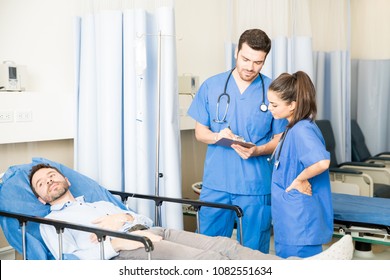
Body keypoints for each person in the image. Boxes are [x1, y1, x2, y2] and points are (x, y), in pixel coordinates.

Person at [29, 163, 353, 260]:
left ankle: (298, 268)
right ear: (42, 199)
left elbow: (137, 217)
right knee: (212, 264)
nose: (50, 181)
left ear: (65, 178)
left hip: (148, 232)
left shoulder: (96, 202)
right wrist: (113, 239)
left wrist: (125, 219)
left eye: (51, 175)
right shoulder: (50, 221)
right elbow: (70, 258)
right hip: (128, 248)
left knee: (229, 247)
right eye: (42, 184)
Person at [187, 29, 288, 253]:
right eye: (245, 59)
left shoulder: (273, 91)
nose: (250, 67)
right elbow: (200, 132)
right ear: (236, 52)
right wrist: (218, 137)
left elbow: (279, 139)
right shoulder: (212, 86)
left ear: (265, 60)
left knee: (253, 251)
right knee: (206, 248)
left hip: (255, 185)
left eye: (258, 62)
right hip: (216, 183)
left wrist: (259, 150)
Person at [267, 71, 333, 258]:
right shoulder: (293, 128)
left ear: (292, 105)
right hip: (291, 219)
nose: (269, 108)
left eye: (274, 104)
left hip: (299, 222)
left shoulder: (301, 130)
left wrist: (299, 179)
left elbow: (321, 162)